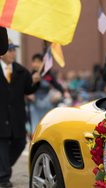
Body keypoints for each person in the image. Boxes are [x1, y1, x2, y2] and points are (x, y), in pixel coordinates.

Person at [0, 40, 40, 187]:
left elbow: (29, 89)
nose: (13, 53)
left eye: (14, 50)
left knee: (20, 142)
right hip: (1, 116)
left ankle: (2, 168)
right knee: (2, 145)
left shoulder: (22, 71)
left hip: (17, 116)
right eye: (9, 50)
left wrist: (34, 82)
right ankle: (4, 178)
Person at [28, 53, 66, 134]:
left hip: (46, 102)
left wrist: (65, 92)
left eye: (38, 62)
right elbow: (25, 88)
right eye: (34, 62)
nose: (36, 64)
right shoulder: (30, 75)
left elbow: (57, 85)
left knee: (47, 123)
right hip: (35, 103)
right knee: (35, 124)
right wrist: (28, 94)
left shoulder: (48, 76)